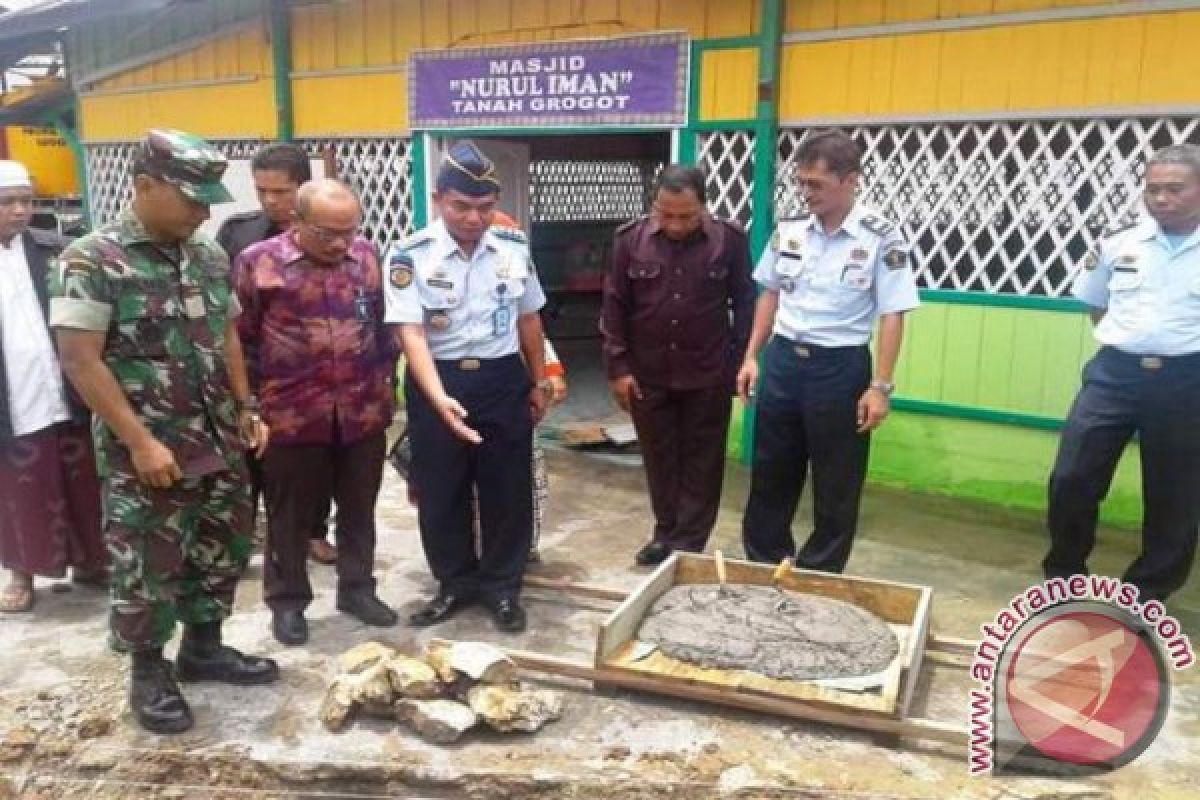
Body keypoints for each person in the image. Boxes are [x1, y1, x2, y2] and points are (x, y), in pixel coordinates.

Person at [49, 129, 278, 735]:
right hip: (147, 448)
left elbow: (226, 335)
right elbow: (81, 360)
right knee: (148, 563)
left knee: (220, 546)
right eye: (192, 197)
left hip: (219, 436)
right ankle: (148, 675)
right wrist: (141, 442)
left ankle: (204, 648)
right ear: (146, 186)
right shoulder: (91, 260)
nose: (205, 211)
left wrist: (245, 405)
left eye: (209, 199)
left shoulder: (206, 255)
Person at [385, 141, 551, 633]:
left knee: (507, 487)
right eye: (462, 206)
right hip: (439, 377)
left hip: (503, 380)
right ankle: (454, 582)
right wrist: (438, 398)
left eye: (484, 207)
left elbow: (529, 318)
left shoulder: (514, 249)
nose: (474, 218)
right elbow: (410, 333)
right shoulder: (410, 255)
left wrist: (539, 380)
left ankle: (502, 587)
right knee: (441, 488)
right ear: (439, 200)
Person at [738, 130, 919, 573]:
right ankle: (765, 563)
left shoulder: (881, 237)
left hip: (839, 368)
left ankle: (820, 571)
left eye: (816, 184)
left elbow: (893, 313)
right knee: (770, 470)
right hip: (783, 361)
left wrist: (881, 387)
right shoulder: (791, 231)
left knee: (837, 479)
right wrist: (751, 356)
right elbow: (770, 294)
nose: (806, 192)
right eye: (802, 182)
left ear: (850, 180)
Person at [236, 179, 398, 646]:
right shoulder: (259, 263)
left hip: (362, 411)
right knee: (288, 515)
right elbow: (240, 339)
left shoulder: (367, 257)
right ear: (298, 222)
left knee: (359, 508)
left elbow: (383, 325)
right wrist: (249, 406)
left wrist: (386, 384)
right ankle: (287, 603)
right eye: (328, 232)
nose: (341, 242)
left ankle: (358, 590)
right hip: (290, 415)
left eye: (349, 230)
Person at [1045, 143, 1200, 605]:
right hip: (1115, 374)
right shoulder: (1120, 243)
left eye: (1175, 189)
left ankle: (1148, 591)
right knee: (1072, 476)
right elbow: (1097, 304)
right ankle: (1064, 574)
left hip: (1187, 380)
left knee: (1175, 492)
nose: (1162, 199)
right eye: (1153, 190)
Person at [600, 165, 755, 566]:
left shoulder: (730, 241)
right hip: (648, 372)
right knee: (659, 456)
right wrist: (619, 369)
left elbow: (745, 303)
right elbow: (614, 305)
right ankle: (665, 532)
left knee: (703, 459)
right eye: (665, 214)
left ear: (703, 206)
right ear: (654, 206)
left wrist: (737, 364)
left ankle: (689, 544)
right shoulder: (629, 240)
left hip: (709, 372)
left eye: (685, 216)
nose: (675, 224)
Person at [216, 143, 336, 566]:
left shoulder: (329, 235)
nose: (271, 201)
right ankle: (245, 535)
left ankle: (314, 531)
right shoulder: (237, 234)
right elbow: (227, 308)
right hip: (253, 367)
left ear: (304, 187)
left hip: (311, 375)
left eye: (281, 191)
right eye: (262, 190)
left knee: (314, 463)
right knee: (251, 458)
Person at [0, 160, 106, 613]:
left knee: (83, 481)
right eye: (8, 202)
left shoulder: (55, 250)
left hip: (63, 386)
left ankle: (93, 563)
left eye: (26, 201)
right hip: (12, 395)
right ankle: (21, 574)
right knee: (19, 488)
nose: (20, 211)